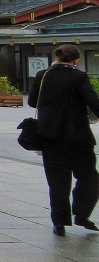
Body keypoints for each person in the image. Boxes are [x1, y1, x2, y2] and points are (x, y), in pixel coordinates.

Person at [27, 44, 99, 236]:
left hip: (49, 137)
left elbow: (33, 102)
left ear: (56, 58)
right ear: (76, 60)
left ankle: (59, 223)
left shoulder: (43, 75)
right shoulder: (79, 76)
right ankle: (81, 214)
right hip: (78, 138)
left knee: (58, 182)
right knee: (89, 178)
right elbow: (93, 102)